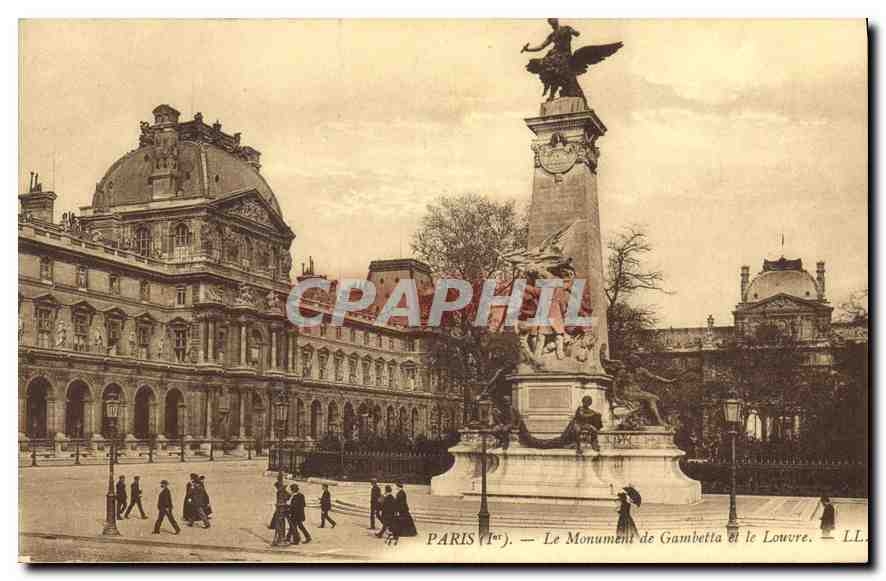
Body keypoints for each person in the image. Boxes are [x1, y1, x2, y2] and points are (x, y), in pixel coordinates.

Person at [271, 482, 291, 546]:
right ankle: (280, 537)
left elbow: (287, 497)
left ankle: (280, 538)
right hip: (281, 508)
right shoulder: (281, 492)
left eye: (277, 487)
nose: (276, 488)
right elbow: (288, 496)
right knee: (281, 523)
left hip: (281, 508)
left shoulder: (280, 492)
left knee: (279, 523)